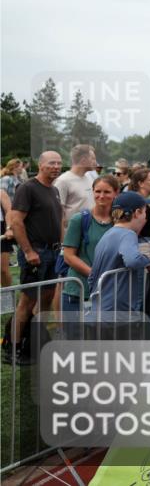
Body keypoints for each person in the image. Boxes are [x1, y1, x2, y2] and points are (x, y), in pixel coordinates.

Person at [4, 151, 63, 365]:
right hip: (36, 253)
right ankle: (14, 347)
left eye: (59, 163)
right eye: (51, 163)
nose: (56, 166)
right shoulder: (28, 188)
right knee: (27, 302)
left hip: (53, 252)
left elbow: (59, 220)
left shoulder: (54, 190)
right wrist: (29, 251)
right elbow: (17, 221)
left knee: (46, 299)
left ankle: (34, 343)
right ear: (40, 165)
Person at [61, 175, 119, 314]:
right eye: (98, 191)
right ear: (92, 192)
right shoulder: (80, 219)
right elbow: (68, 256)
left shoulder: (119, 222)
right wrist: (96, 276)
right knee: (76, 335)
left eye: (107, 192)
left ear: (116, 193)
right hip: (79, 291)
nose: (101, 196)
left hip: (109, 292)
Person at [88, 191, 150, 313]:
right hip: (117, 307)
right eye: (145, 213)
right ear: (137, 213)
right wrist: (149, 259)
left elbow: (92, 276)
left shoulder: (108, 234)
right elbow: (133, 260)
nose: (145, 217)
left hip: (100, 304)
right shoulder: (128, 234)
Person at [54, 144, 97, 228]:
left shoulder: (89, 178)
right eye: (93, 159)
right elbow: (58, 215)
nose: (96, 162)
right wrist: (63, 240)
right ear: (84, 160)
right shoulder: (63, 181)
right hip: (71, 236)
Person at [128, 167, 150, 239]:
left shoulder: (139, 200)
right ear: (141, 183)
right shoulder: (137, 201)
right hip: (142, 244)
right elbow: (134, 230)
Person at [1, 189, 13, 288]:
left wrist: (9, 228)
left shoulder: (1, 192)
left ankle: (7, 297)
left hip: (1, 231)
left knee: (3, 270)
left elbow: (9, 210)